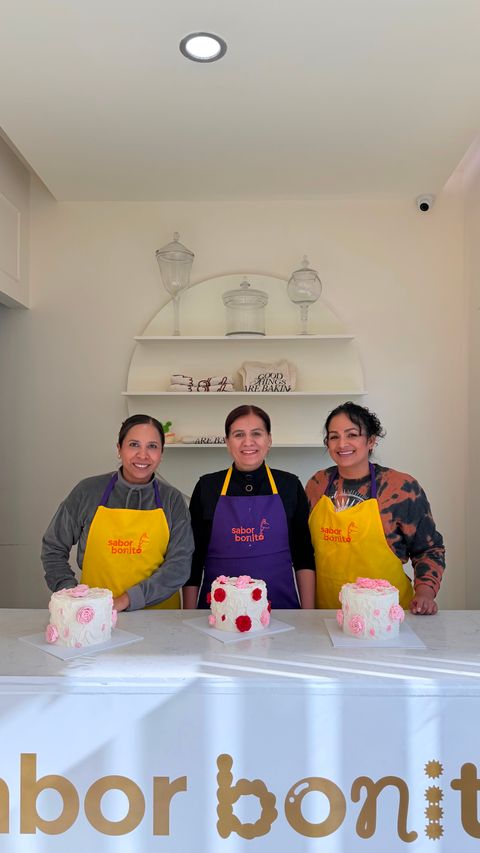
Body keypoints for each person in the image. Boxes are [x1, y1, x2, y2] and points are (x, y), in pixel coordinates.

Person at [42, 414, 194, 610]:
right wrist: (71, 594)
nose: (143, 455)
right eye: (133, 445)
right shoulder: (88, 491)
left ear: (161, 453)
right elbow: (53, 548)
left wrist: (124, 601)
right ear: (119, 449)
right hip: (95, 615)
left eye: (152, 446)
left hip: (159, 617)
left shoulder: (172, 500)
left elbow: (179, 566)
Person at [306, 402, 445, 615]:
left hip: (387, 617)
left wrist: (425, 592)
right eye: (334, 436)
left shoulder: (400, 487)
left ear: (371, 441)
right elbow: (304, 550)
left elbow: (428, 549)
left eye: (352, 435)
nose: (342, 443)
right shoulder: (317, 484)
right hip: (327, 615)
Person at [183, 404, 316, 609]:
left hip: (281, 612)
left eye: (256, 433)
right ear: (227, 442)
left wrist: (308, 616)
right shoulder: (207, 487)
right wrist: (188, 616)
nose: (248, 442)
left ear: (269, 440)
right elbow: (193, 558)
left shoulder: (289, 485)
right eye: (238, 435)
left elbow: (303, 555)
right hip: (218, 614)